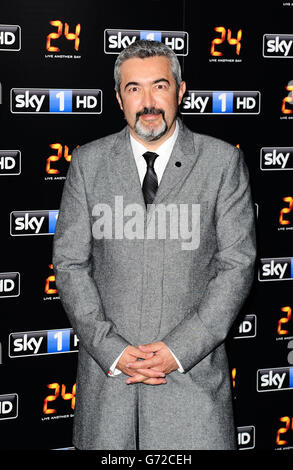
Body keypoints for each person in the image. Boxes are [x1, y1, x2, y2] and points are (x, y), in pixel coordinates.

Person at [52, 39, 256, 450]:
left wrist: (178, 350)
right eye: (134, 89)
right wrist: (111, 349)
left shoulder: (221, 163)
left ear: (180, 91)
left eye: (160, 86)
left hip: (193, 386)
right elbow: (71, 264)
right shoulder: (88, 164)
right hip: (109, 389)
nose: (148, 101)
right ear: (118, 98)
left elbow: (236, 265)